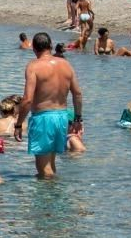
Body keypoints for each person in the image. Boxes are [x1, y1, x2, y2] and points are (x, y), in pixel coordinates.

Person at [14, 32, 83, 180]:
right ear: (51, 46)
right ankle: (57, 200)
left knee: (43, 170)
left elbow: (27, 100)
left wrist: (18, 124)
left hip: (43, 118)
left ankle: (46, 202)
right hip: (62, 117)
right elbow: (77, 94)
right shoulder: (66, 64)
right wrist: (77, 118)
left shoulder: (33, 66)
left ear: (34, 49)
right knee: (51, 164)